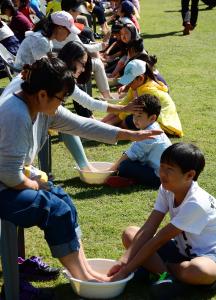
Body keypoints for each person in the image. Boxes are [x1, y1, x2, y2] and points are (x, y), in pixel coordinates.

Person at [0, 55, 162, 298]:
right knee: (54, 209)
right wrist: (36, 184)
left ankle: (84, 271)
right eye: (61, 98)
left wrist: (130, 135)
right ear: (43, 93)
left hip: (11, 181)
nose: (62, 103)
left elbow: (84, 125)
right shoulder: (15, 114)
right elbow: (10, 176)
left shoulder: (42, 107)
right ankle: (78, 277)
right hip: (5, 186)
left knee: (63, 200)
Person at [107, 142, 216, 299]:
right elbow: (149, 228)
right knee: (130, 233)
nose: (161, 173)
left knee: (199, 271)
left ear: (189, 175)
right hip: (179, 250)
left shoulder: (196, 203)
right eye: (162, 166)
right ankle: (167, 277)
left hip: (208, 257)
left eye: (169, 169)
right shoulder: (167, 188)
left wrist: (126, 270)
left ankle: (157, 270)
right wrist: (124, 261)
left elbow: (158, 239)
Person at [102, 59, 183, 138]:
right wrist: (102, 122)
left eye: (130, 81)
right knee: (130, 118)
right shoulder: (135, 86)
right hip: (148, 118)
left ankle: (109, 130)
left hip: (165, 125)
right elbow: (122, 106)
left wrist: (107, 124)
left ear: (140, 78)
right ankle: (109, 128)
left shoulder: (149, 91)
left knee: (129, 120)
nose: (128, 84)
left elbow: (125, 112)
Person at [110, 94, 171, 187]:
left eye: (139, 116)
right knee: (125, 161)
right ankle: (130, 178)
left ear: (152, 118)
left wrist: (111, 170)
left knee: (124, 166)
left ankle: (131, 181)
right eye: (134, 115)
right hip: (159, 172)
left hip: (158, 178)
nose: (135, 119)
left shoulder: (151, 134)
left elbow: (132, 154)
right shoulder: (151, 127)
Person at [14, 10, 81, 69]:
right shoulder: (41, 40)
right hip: (24, 77)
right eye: (69, 31)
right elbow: (44, 68)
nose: (69, 34)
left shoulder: (46, 39)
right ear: (59, 28)